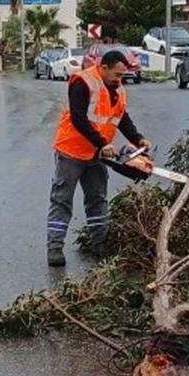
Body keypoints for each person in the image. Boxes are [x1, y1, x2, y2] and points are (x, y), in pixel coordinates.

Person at [47, 50, 149, 266]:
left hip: (96, 154)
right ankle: (55, 248)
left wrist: (138, 138)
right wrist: (103, 143)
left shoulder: (117, 89)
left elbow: (121, 118)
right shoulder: (83, 82)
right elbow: (78, 118)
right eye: (117, 74)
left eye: (122, 75)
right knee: (62, 200)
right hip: (72, 151)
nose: (120, 79)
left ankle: (99, 245)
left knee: (97, 199)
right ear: (104, 68)